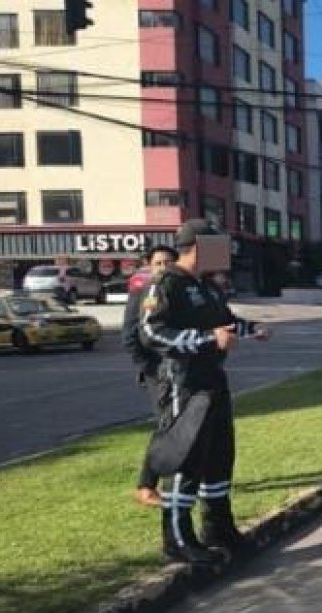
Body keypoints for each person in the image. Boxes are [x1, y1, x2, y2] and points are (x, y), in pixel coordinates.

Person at [140, 221, 269, 564]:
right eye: (216, 245)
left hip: (213, 379)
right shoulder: (167, 283)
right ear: (197, 246)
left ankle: (218, 528)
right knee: (187, 460)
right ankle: (178, 539)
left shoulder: (207, 286)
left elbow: (223, 320)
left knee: (219, 457)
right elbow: (152, 333)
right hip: (185, 383)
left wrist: (250, 328)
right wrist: (208, 339)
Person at [123, 244, 179, 507]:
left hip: (179, 369)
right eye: (158, 263)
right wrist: (150, 368)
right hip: (157, 372)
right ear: (149, 265)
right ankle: (146, 485)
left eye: (168, 262)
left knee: (184, 424)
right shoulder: (141, 294)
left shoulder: (177, 293)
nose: (163, 268)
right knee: (165, 426)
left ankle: (184, 476)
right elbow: (130, 337)